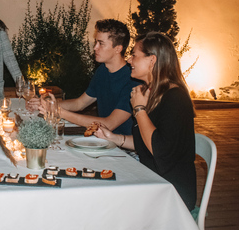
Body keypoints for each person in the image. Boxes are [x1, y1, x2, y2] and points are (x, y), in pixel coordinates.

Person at [95, 32, 197, 211]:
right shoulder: (150, 92)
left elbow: (159, 149)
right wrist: (114, 138)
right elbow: (146, 139)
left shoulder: (176, 98)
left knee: (105, 200)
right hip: (151, 177)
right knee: (98, 181)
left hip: (171, 191)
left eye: (134, 55)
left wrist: (139, 110)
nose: (129, 60)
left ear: (152, 61)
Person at [29, 19, 139, 135]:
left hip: (125, 150)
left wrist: (58, 111)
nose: (95, 47)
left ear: (118, 49)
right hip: (103, 142)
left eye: (101, 43)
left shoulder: (132, 78)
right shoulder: (103, 70)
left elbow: (109, 124)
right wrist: (48, 104)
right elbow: (79, 103)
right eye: (96, 42)